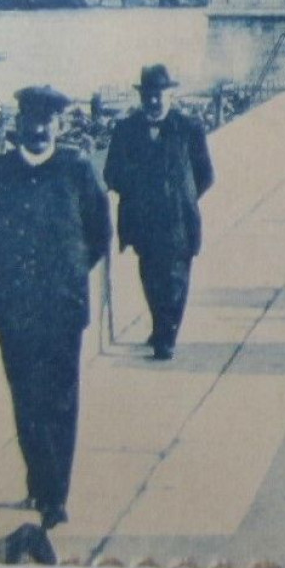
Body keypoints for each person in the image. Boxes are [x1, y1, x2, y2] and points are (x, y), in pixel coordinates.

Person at [0, 85, 111, 530]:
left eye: (48, 122)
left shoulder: (78, 171)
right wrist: (12, 267)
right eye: (32, 121)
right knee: (26, 399)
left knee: (61, 400)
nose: (40, 129)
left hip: (63, 307)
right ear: (18, 126)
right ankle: (37, 481)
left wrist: (66, 272)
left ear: (59, 127)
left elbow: (99, 234)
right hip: (14, 307)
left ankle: (55, 495)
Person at [103, 64, 215, 361]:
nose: (154, 101)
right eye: (148, 95)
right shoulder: (126, 130)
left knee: (176, 278)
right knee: (151, 277)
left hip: (179, 220)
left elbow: (205, 174)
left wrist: (181, 196)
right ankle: (159, 325)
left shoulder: (189, 128)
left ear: (171, 95)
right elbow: (111, 173)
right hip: (143, 221)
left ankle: (166, 336)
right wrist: (140, 188)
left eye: (159, 95)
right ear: (142, 97)